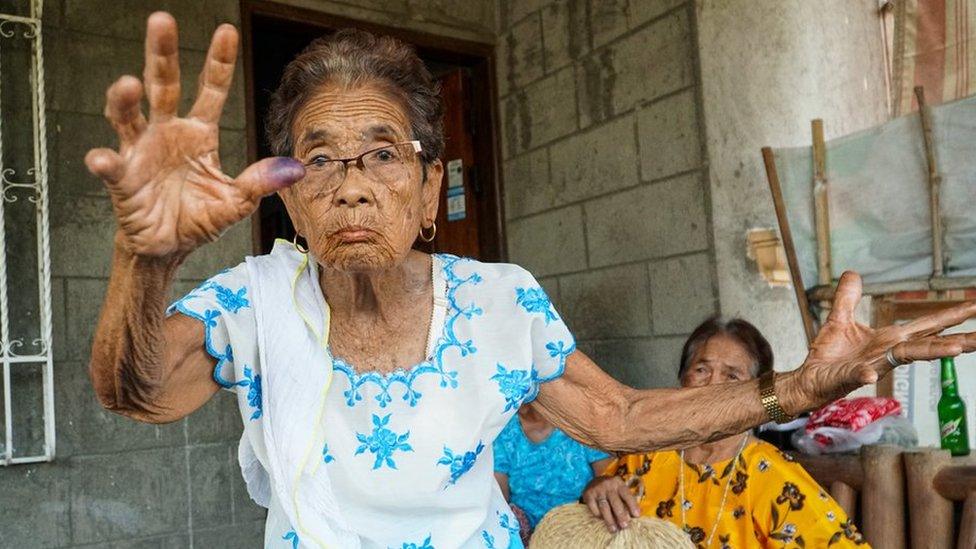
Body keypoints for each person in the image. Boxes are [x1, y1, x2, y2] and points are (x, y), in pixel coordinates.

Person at [83, 11, 976, 548]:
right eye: (318, 157)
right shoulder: (256, 301)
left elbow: (620, 417)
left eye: (382, 153)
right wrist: (147, 256)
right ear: (290, 196)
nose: (351, 180)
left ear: (432, 186)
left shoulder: (497, 301)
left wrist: (798, 387)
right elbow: (137, 393)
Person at [582, 318, 867, 548]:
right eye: (702, 370)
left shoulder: (773, 479)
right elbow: (595, 531)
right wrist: (596, 489)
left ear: (755, 394)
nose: (713, 386)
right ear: (682, 380)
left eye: (732, 376)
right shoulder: (645, 457)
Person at [494, 402, 613, 541]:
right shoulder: (504, 433)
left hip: (583, 529)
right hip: (529, 534)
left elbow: (608, 478)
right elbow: (499, 499)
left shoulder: (579, 424)